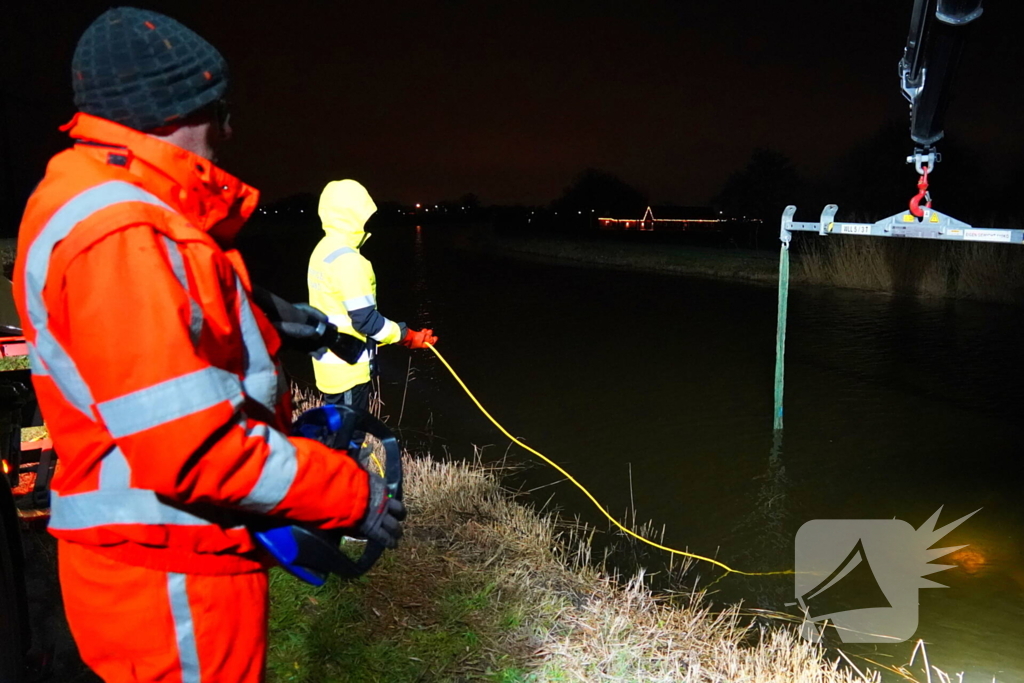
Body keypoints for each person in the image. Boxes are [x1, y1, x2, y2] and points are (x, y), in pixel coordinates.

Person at [12, 8, 404, 683]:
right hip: (171, 582)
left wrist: (269, 317)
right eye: (217, 108)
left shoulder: (91, 199)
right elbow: (194, 446)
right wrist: (352, 494)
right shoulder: (123, 233)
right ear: (169, 111)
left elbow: (155, 332)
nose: (229, 128)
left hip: (158, 566)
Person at [308, 179, 437, 425]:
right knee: (348, 440)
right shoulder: (350, 261)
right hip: (347, 370)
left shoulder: (322, 250)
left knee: (339, 432)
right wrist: (408, 336)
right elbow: (366, 321)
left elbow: (341, 313)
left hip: (328, 364)